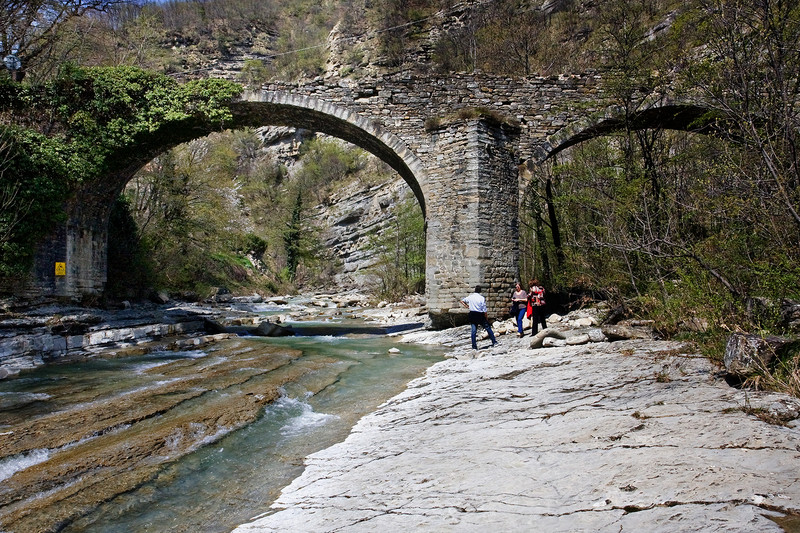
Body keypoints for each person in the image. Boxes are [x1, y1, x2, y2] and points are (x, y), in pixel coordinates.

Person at [460, 285, 498, 350]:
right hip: (480, 315)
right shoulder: (481, 298)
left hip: (472, 314)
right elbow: (484, 310)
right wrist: (486, 317)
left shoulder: (470, 297)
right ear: (480, 291)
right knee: (488, 328)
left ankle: (474, 346)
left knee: (473, 331)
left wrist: (467, 306)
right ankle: (494, 341)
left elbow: (462, 301)